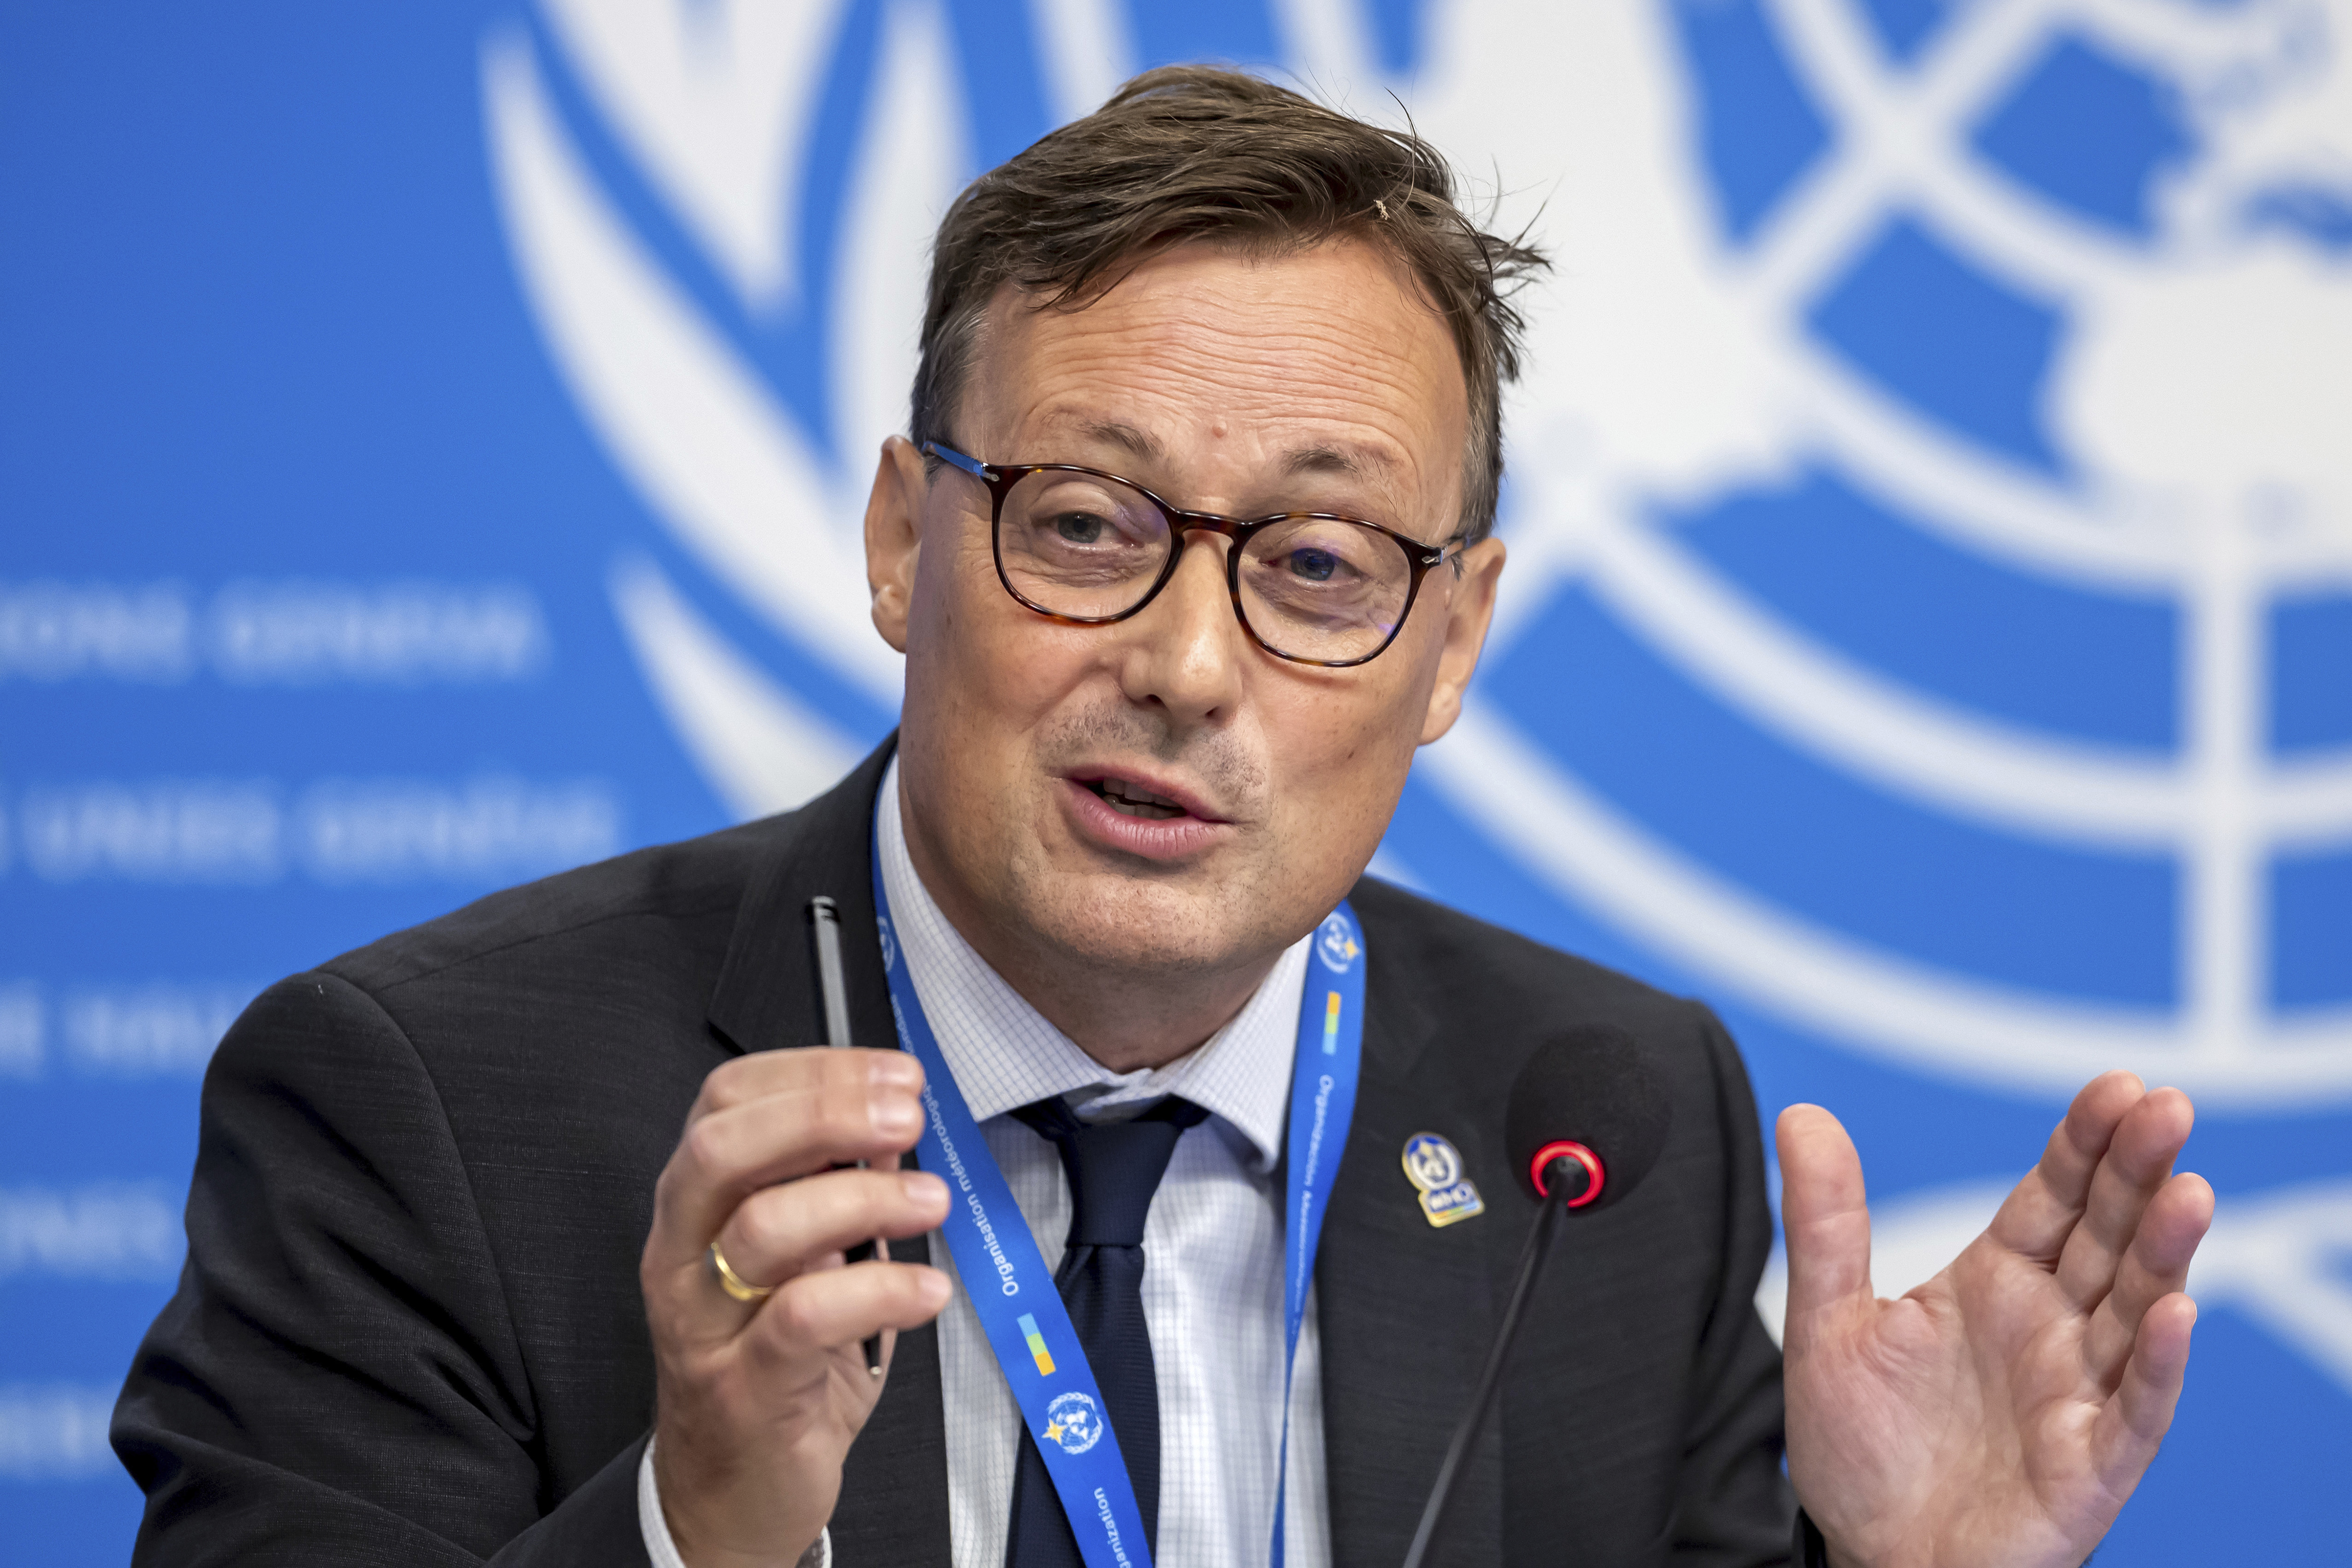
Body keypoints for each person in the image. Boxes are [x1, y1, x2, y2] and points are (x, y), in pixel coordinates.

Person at [112, 66, 2212, 1568]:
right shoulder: (427, 1108)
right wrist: (698, 1536)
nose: (1187, 669)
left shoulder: (1596, 1134)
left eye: (1313, 565)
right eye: (1089, 524)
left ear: (1452, 639)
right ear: (897, 539)